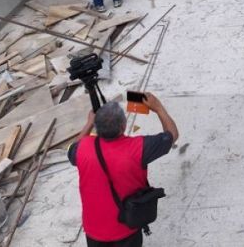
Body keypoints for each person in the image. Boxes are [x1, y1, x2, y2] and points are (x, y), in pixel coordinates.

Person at [69, 95, 179, 247]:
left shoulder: (83, 148)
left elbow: (71, 150)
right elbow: (172, 134)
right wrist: (158, 107)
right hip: (126, 228)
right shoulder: (137, 148)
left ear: (97, 127)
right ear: (123, 126)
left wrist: (88, 123)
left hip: (94, 232)